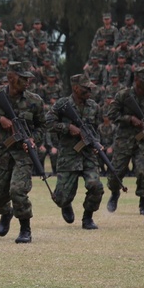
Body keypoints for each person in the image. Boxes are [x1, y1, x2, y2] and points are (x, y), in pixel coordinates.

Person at [0, 61, 46, 243]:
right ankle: (6, 213)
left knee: (17, 190)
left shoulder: (35, 101)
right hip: (2, 152)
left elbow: (43, 127)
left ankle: (25, 229)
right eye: (23, 78)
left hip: (24, 154)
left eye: (28, 78)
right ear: (11, 78)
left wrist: (33, 140)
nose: (27, 82)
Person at [46, 74, 103, 230]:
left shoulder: (94, 106)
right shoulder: (62, 104)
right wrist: (67, 128)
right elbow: (47, 122)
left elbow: (96, 128)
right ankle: (66, 204)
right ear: (76, 88)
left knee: (96, 185)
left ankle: (88, 218)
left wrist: (96, 142)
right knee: (61, 198)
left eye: (90, 88)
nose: (89, 91)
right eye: (86, 88)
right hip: (69, 155)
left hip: (88, 154)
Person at [105, 67, 144, 216]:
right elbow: (111, 114)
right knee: (117, 171)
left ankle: (143, 203)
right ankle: (114, 194)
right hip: (125, 139)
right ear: (136, 80)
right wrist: (130, 119)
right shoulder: (123, 95)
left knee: (143, 170)